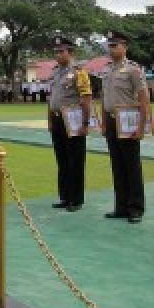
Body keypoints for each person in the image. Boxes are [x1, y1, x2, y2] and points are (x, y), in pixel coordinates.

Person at [101, 30, 152, 224]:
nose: (112, 49)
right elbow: (105, 99)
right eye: (110, 45)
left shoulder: (133, 70)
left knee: (131, 165)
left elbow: (143, 99)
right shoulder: (106, 70)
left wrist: (141, 126)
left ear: (125, 47)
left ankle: (135, 207)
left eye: (115, 45)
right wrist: (104, 123)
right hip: (112, 120)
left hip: (128, 120)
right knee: (117, 165)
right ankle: (120, 206)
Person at [46, 35, 92, 212]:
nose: (57, 54)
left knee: (75, 160)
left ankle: (76, 199)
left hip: (73, 121)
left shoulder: (79, 72)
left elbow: (86, 99)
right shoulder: (55, 72)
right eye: (55, 52)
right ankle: (64, 196)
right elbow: (51, 99)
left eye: (61, 51)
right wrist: (50, 120)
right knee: (62, 160)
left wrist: (85, 123)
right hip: (57, 119)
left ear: (71, 52)